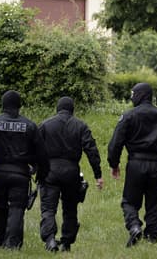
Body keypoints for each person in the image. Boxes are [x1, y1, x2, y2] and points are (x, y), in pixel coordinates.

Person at [108, 82, 157, 247]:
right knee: (153, 203)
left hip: (136, 164)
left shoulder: (129, 116)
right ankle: (152, 237)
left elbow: (116, 142)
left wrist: (113, 164)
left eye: (133, 94)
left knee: (129, 202)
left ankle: (134, 226)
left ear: (139, 95)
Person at [0, 90, 45, 249]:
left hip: (0, 173)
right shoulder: (30, 126)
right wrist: (40, 172)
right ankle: (12, 245)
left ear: (3, 105)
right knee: (17, 208)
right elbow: (41, 153)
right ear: (19, 106)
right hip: (21, 174)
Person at [38, 96, 103, 252]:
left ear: (57, 109)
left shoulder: (46, 125)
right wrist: (97, 174)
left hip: (49, 171)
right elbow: (91, 150)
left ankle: (50, 239)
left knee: (48, 208)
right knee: (70, 208)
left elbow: (35, 148)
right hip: (71, 172)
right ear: (72, 110)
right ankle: (66, 242)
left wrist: (34, 168)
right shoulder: (80, 125)